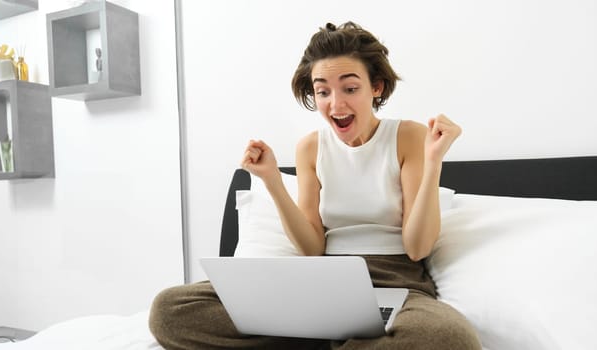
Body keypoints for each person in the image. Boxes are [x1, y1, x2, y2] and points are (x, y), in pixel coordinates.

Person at [149, 21, 482, 350]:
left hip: (397, 282)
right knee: (170, 310)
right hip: (320, 285)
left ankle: (312, 339)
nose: (335, 105)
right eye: (323, 91)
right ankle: (325, 333)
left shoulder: (408, 137)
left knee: (448, 339)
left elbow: (417, 248)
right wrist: (273, 181)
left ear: (376, 87)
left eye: (350, 89)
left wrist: (434, 161)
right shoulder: (310, 147)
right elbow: (311, 249)